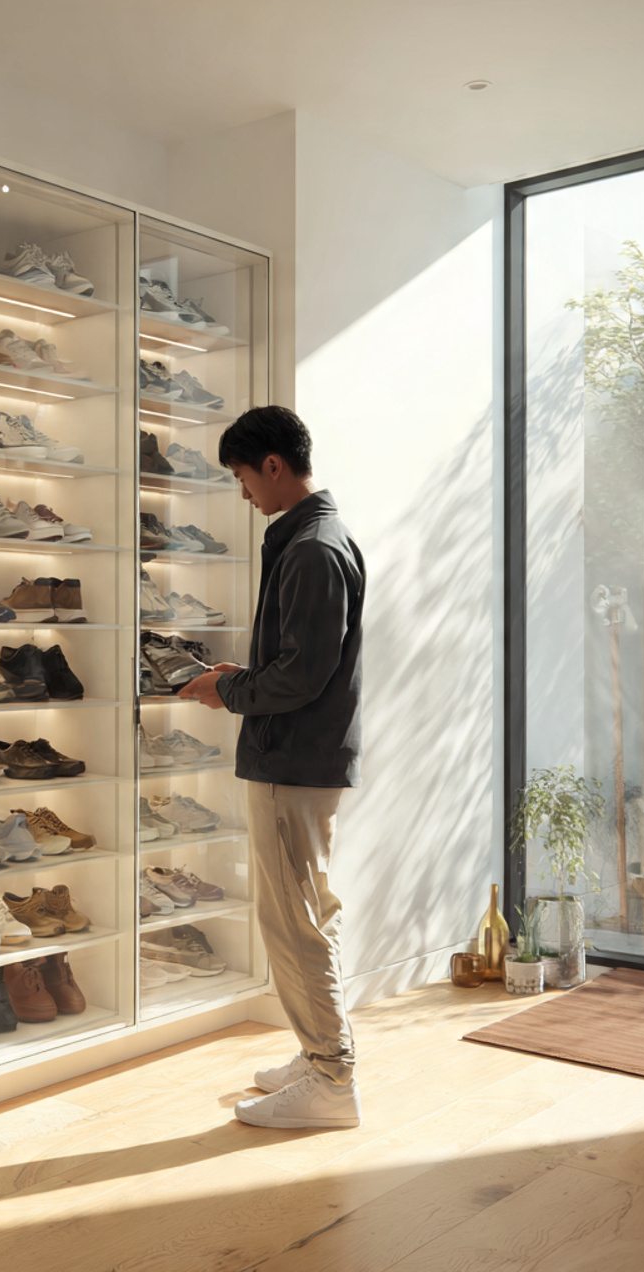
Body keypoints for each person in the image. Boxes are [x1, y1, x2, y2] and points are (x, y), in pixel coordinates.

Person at [178, 405, 365, 1130]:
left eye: (242, 477)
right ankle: (321, 1053)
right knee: (308, 914)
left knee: (295, 923)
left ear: (274, 466)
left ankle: (330, 1079)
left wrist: (226, 690)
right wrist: (243, 675)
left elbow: (302, 678)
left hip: (292, 760)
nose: (244, 492)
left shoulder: (313, 548)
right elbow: (299, 665)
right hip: (300, 756)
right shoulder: (314, 539)